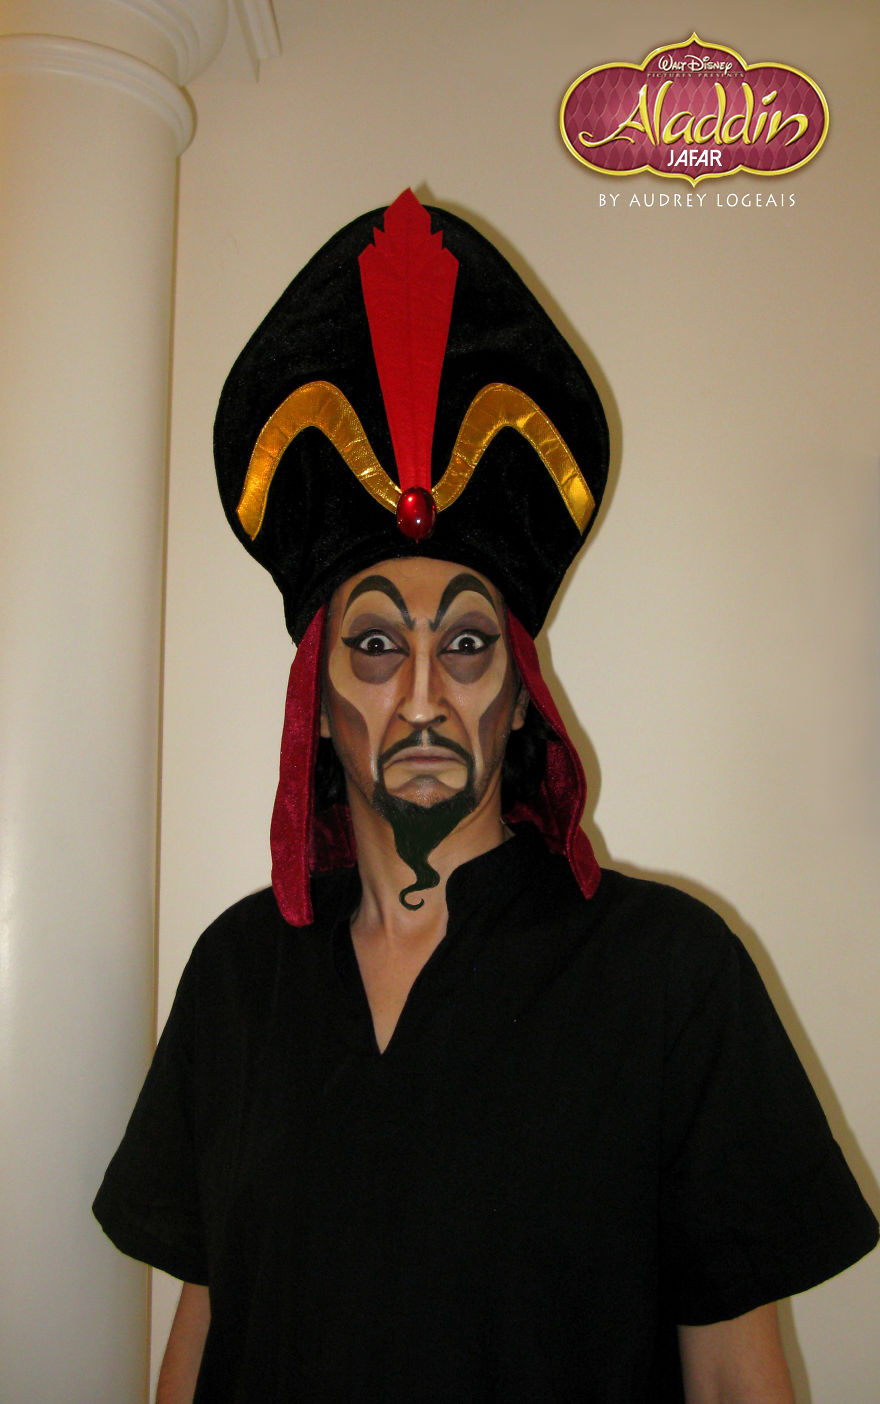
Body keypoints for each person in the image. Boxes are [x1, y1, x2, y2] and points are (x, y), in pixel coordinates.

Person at [94, 191, 877, 1403]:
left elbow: (735, 1375)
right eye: (374, 646)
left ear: (519, 699)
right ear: (317, 700)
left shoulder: (672, 977)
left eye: (464, 646)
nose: (420, 694)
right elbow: (203, 1333)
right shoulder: (238, 977)